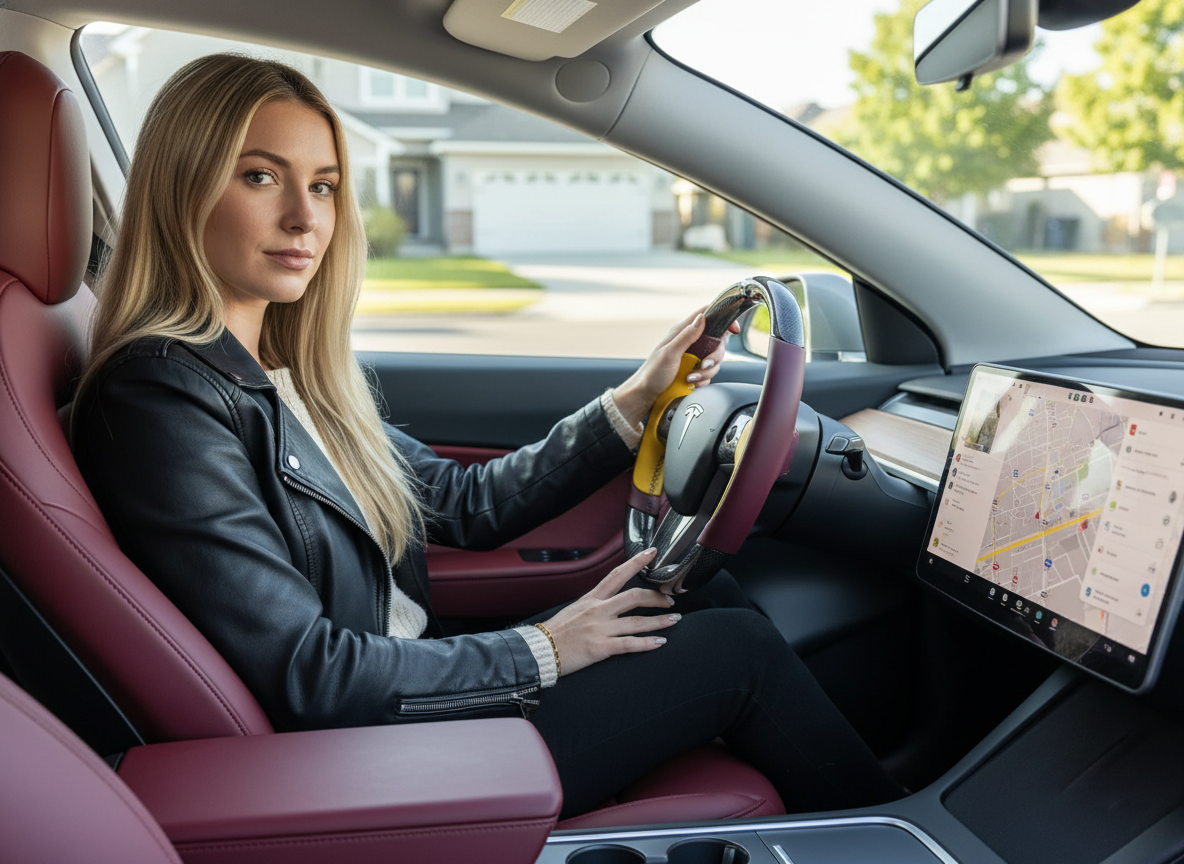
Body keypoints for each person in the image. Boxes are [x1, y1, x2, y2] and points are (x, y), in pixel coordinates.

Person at [72, 54, 903, 819]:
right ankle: (899, 824)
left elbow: (459, 504)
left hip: (402, 691)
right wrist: (542, 649)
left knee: (686, 591)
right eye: (261, 176)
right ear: (183, 188)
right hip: (365, 751)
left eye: (324, 186)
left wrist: (637, 397)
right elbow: (310, 675)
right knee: (738, 652)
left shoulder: (283, 369)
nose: (303, 217)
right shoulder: (163, 394)